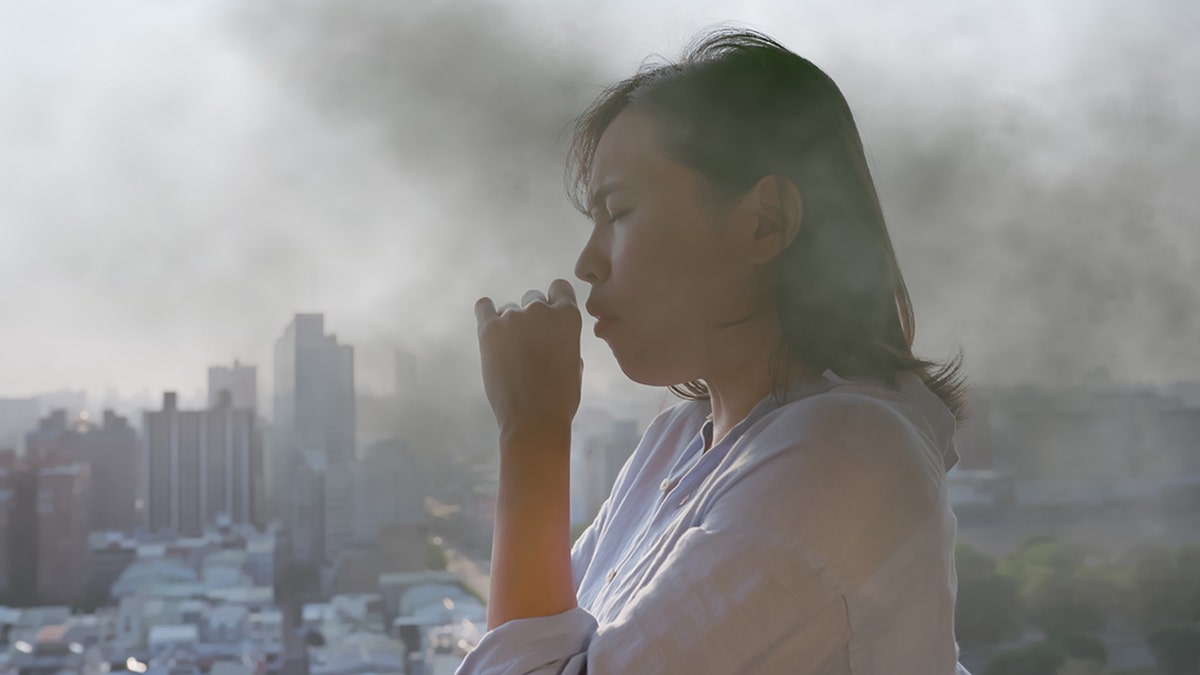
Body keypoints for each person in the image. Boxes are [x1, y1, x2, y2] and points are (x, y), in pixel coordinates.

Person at [464, 27, 972, 674]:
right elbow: (554, 640)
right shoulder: (677, 440)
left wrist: (531, 434)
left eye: (618, 212)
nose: (587, 263)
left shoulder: (845, 449)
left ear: (765, 222)